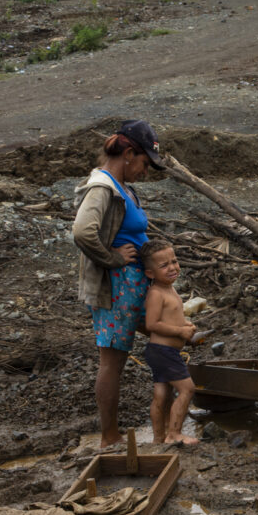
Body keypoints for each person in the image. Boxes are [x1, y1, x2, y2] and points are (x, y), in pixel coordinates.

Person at [72, 121, 165, 450]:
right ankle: (108, 436)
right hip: (117, 286)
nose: (145, 171)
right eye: (143, 163)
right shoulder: (102, 187)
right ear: (128, 154)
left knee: (167, 332)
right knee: (112, 361)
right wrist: (111, 258)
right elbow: (83, 232)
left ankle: (167, 423)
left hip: (135, 284)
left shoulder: (122, 186)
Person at [140, 239, 200, 446]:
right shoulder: (156, 293)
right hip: (163, 351)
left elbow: (170, 317)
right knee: (187, 389)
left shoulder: (170, 289)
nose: (172, 268)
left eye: (174, 261)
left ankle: (159, 438)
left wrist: (186, 324)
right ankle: (174, 433)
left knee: (162, 395)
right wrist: (180, 331)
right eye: (164, 265)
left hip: (161, 352)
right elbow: (152, 324)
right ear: (150, 273)